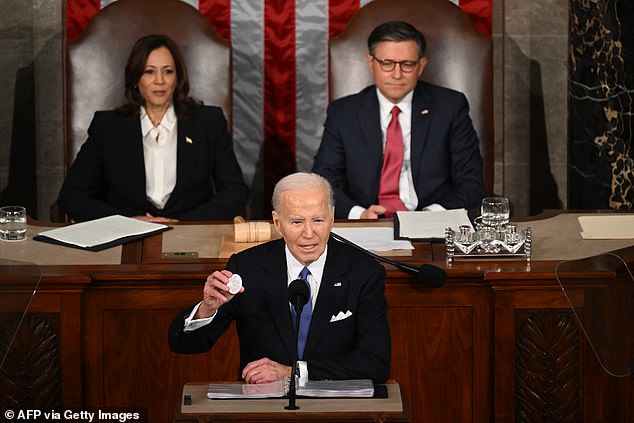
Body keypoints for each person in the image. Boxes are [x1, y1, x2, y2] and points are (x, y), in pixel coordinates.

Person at [168, 172, 391, 384]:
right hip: (264, 405)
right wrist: (207, 309)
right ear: (277, 223)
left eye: (318, 220)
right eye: (296, 222)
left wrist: (293, 372)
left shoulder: (364, 272)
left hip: (336, 405)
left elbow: (375, 364)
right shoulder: (247, 268)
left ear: (332, 219)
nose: (309, 233)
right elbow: (185, 345)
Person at [57, 34, 248, 223]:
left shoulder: (208, 122)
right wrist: (125, 222)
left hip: (190, 236)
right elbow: (72, 195)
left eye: (167, 71)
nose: (159, 81)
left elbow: (235, 191)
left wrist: (185, 224)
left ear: (178, 77)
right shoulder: (107, 126)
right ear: (135, 78)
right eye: (149, 71)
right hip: (125, 236)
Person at [312, 20, 485, 219]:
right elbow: (323, 181)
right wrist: (359, 215)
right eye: (387, 63)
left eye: (407, 64)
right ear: (371, 63)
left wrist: (434, 214)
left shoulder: (450, 107)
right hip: (368, 222)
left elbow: (471, 181)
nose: (397, 74)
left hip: (432, 221)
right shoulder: (343, 113)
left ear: (421, 66)